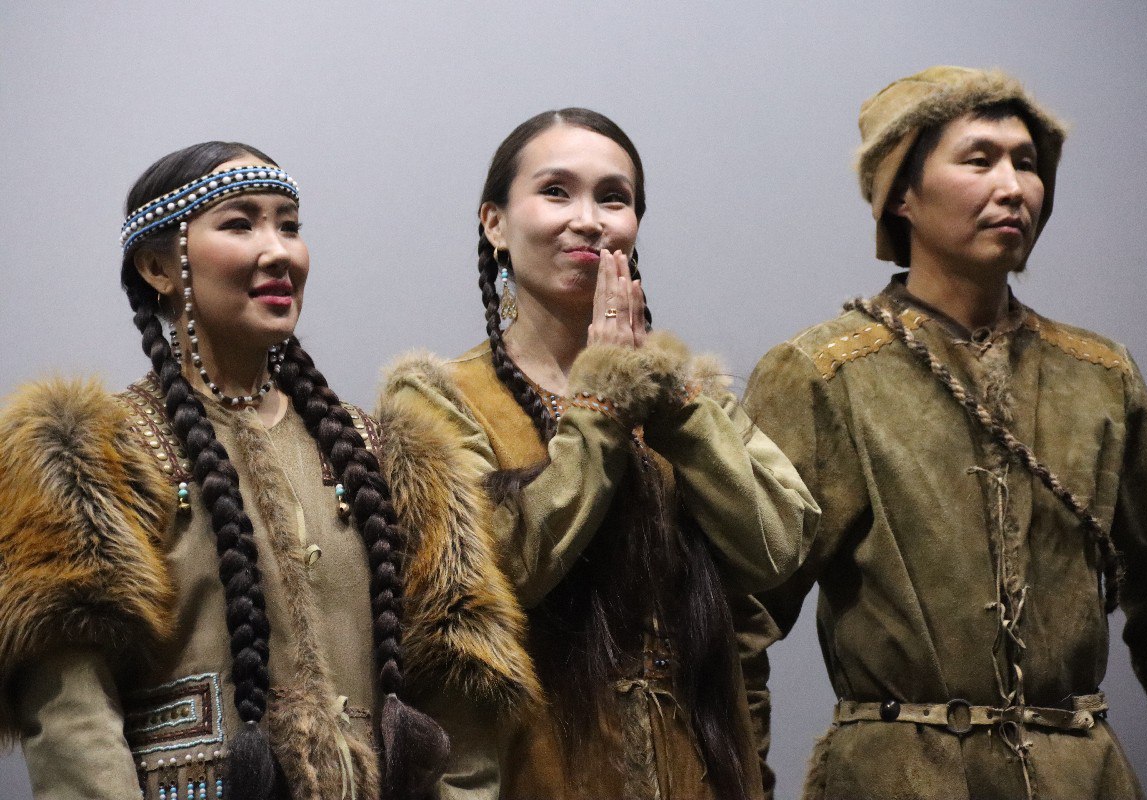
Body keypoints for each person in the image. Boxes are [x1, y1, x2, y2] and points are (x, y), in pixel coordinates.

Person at [0, 141, 537, 800]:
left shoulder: (388, 456)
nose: (279, 250)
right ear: (157, 267)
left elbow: (463, 698)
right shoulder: (92, 455)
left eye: (289, 225)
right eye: (239, 224)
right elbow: (71, 714)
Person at [743, 65, 1147, 799]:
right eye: (979, 159)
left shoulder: (1099, 376)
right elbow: (732, 618)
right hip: (898, 781)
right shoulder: (824, 375)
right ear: (902, 193)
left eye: (1028, 163)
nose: (1014, 186)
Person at [378, 108, 818, 800]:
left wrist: (668, 402)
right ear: (495, 223)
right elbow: (498, 574)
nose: (588, 220)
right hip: (538, 775)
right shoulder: (439, 398)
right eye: (555, 191)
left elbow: (779, 548)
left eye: (614, 198)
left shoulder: (684, 396)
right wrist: (600, 407)